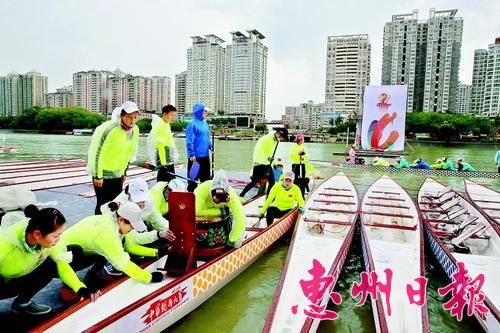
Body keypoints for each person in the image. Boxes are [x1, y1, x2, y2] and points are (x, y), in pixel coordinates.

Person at [0, 205, 99, 315]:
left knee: (53, 263)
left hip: (19, 276)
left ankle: (22, 303)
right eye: (56, 236)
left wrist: (81, 288)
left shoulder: (48, 242)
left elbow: (63, 266)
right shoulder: (5, 245)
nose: (59, 240)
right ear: (37, 234)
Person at [62, 202, 165, 290]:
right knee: (79, 251)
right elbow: (123, 264)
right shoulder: (108, 234)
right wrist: (149, 277)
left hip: (80, 246)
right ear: (121, 219)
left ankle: (93, 276)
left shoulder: (112, 218)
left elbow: (106, 207)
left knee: (104, 251)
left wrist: (157, 236)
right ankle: (67, 289)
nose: (133, 229)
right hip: (61, 253)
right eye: (132, 226)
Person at [87, 101, 140, 214]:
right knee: (102, 204)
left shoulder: (135, 130)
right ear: (121, 116)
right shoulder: (110, 130)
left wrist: (124, 172)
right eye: (129, 117)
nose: (132, 120)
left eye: (135, 117)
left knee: (116, 204)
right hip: (103, 174)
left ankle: (112, 229)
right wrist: (98, 176)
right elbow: (98, 154)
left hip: (117, 173)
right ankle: (98, 228)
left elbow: (129, 152)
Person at [100, 178, 176, 250]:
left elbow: (156, 219)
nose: (142, 205)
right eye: (138, 201)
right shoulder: (121, 209)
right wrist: (158, 234)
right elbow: (134, 239)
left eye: (143, 200)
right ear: (129, 196)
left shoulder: (149, 200)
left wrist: (173, 229)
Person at [195, 170, 246, 248]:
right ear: (211, 193)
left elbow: (240, 218)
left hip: (222, 217)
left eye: (223, 198)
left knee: (232, 216)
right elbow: (196, 210)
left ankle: (226, 241)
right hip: (201, 218)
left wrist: (233, 239)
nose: (219, 202)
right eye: (218, 198)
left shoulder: (231, 194)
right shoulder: (201, 190)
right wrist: (219, 212)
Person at [239, 127, 288, 198]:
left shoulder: (276, 141)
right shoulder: (266, 138)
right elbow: (258, 151)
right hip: (259, 162)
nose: (282, 139)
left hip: (267, 163)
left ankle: (268, 198)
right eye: (282, 137)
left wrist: (274, 163)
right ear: (278, 134)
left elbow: (272, 153)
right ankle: (241, 195)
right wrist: (267, 158)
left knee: (272, 181)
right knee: (254, 182)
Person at [186, 103, 212, 192]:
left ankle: (204, 198)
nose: (206, 113)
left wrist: (210, 146)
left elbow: (207, 137)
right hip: (195, 158)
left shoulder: (205, 123)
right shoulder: (192, 124)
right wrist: (191, 154)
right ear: (199, 112)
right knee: (193, 180)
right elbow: (189, 141)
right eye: (205, 111)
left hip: (205, 156)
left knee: (206, 180)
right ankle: (191, 199)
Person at [148, 104, 178, 182]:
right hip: (163, 159)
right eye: (172, 115)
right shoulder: (160, 126)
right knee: (163, 182)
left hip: (168, 158)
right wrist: (163, 164)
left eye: (174, 116)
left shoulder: (166, 124)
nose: (173, 118)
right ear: (165, 114)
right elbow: (160, 146)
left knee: (170, 181)